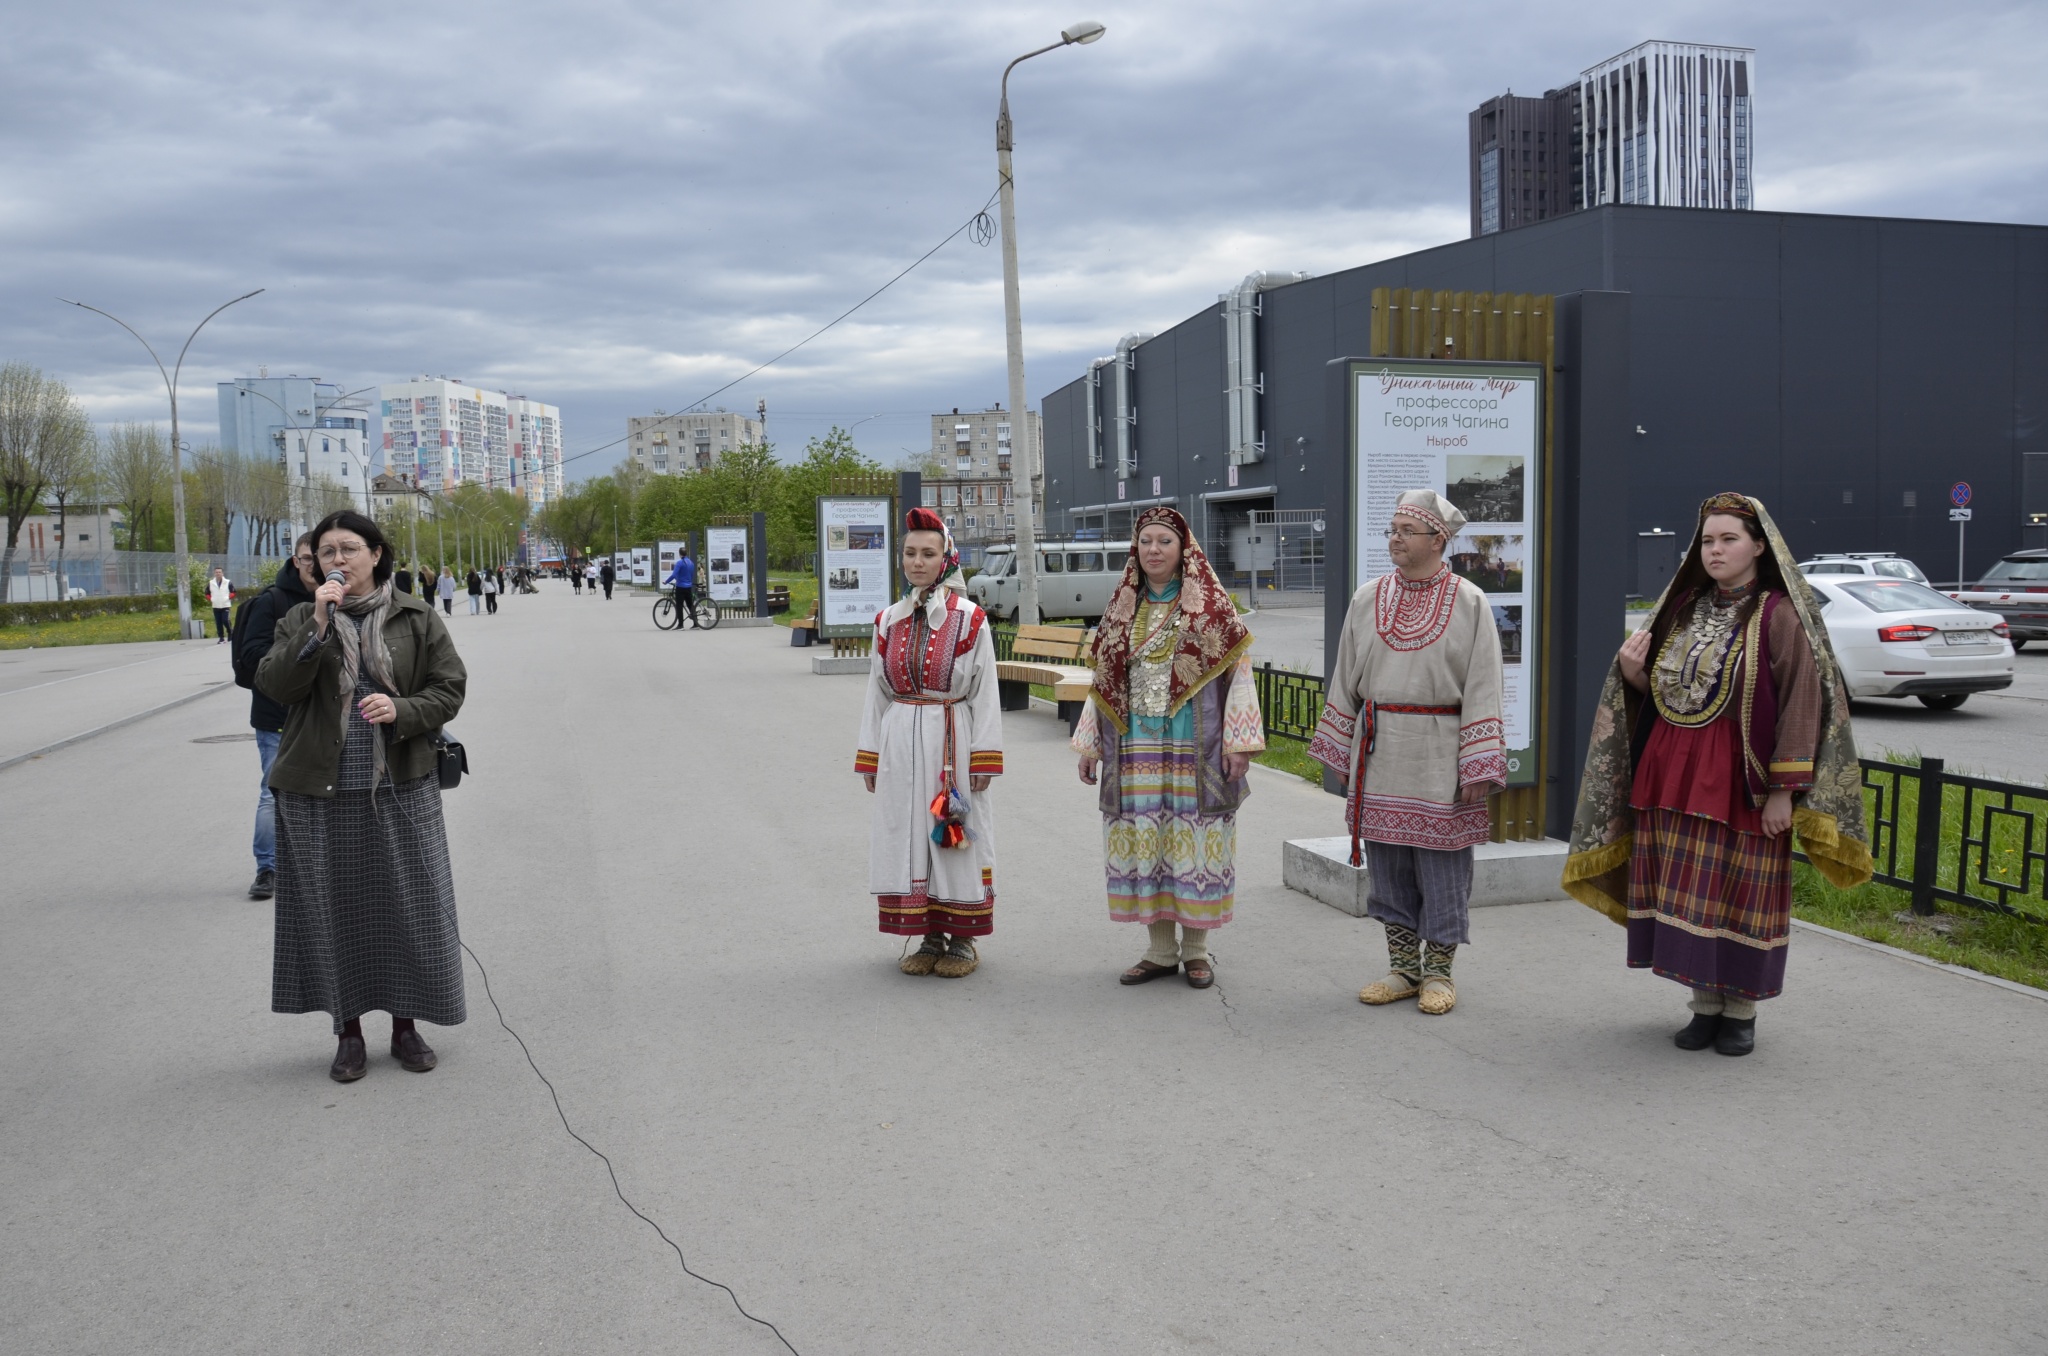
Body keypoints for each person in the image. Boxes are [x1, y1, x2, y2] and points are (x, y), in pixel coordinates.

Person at [1563, 492, 1871, 1056]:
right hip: (1670, 771)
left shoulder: (1779, 615)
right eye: (1707, 539)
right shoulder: (1683, 608)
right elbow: (1666, 693)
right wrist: (1634, 674)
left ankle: (1742, 1012)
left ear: (1759, 545)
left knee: (1741, 888)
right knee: (1685, 889)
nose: (1715, 549)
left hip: (1741, 778)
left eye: (1729, 538)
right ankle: (1704, 1006)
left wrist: (1784, 792)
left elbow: (1803, 703)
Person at [256, 510, 468, 1083]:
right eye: (326, 552)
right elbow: (275, 686)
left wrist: (401, 709)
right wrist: (318, 627)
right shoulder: (303, 617)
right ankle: (347, 1033)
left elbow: (449, 689)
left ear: (376, 555)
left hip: (400, 778)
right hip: (317, 788)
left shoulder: (416, 615)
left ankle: (405, 1026)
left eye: (349, 548)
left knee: (408, 903)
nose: (337, 560)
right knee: (333, 910)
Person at [1308, 489, 1506, 1016]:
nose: (1393, 538)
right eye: (1392, 529)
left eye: (1405, 530)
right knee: (1390, 860)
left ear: (1438, 539)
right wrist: (1338, 746)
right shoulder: (1368, 597)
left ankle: (1439, 970)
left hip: (1441, 747)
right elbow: (1346, 676)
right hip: (1381, 749)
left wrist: (1479, 761)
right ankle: (1403, 967)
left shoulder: (1470, 601)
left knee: (1443, 866)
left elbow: (1485, 685)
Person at [1073, 507, 1263, 989]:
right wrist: (1091, 744)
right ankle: (1159, 950)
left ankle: (1197, 952)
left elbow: (1239, 673)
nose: (1153, 550)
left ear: (1184, 551)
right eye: (1145, 541)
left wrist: (1239, 742)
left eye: (1164, 542)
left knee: (1195, 836)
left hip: (1194, 740)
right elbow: (1104, 681)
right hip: (1135, 740)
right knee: (1147, 836)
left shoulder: (1212, 608)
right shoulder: (1122, 608)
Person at [856, 507, 1004, 979]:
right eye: (910, 552)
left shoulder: (970, 620)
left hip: (951, 740)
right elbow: (876, 692)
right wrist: (871, 756)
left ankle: (962, 939)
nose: (917, 561)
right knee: (910, 836)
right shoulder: (888, 620)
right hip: (901, 739)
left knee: (953, 833)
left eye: (928, 553)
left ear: (946, 559)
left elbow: (985, 691)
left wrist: (984, 756)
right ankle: (928, 935)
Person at [231, 533, 317, 901]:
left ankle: (320, 866)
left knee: (327, 791)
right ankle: (268, 869)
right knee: (273, 792)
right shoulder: (273, 601)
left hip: (325, 714)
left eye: (323, 555)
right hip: (277, 713)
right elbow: (252, 655)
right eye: (307, 558)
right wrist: (297, 651)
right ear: (295, 561)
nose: (315, 564)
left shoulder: (342, 593)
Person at [664, 547, 699, 629]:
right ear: (686, 553)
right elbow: (690, 574)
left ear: (679, 554)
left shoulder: (680, 563)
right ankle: (696, 623)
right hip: (688, 587)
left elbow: (674, 575)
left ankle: (680, 625)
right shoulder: (691, 563)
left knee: (679, 605)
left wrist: (666, 581)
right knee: (690, 605)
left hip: (680, 587)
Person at [208, 567, 234, 643]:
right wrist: (211, 599)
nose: (218, 573)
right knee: (218, 622)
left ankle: (230, 632)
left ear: (222, 573)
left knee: (225, 620)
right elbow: (207, 593)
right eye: (216, 572)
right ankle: (221, 637)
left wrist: (228, 597)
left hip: (225, 604)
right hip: (216, 605)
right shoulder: (211, 583)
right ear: (214, 573)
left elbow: (233, 592)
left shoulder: (227, 582)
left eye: (219, 572)